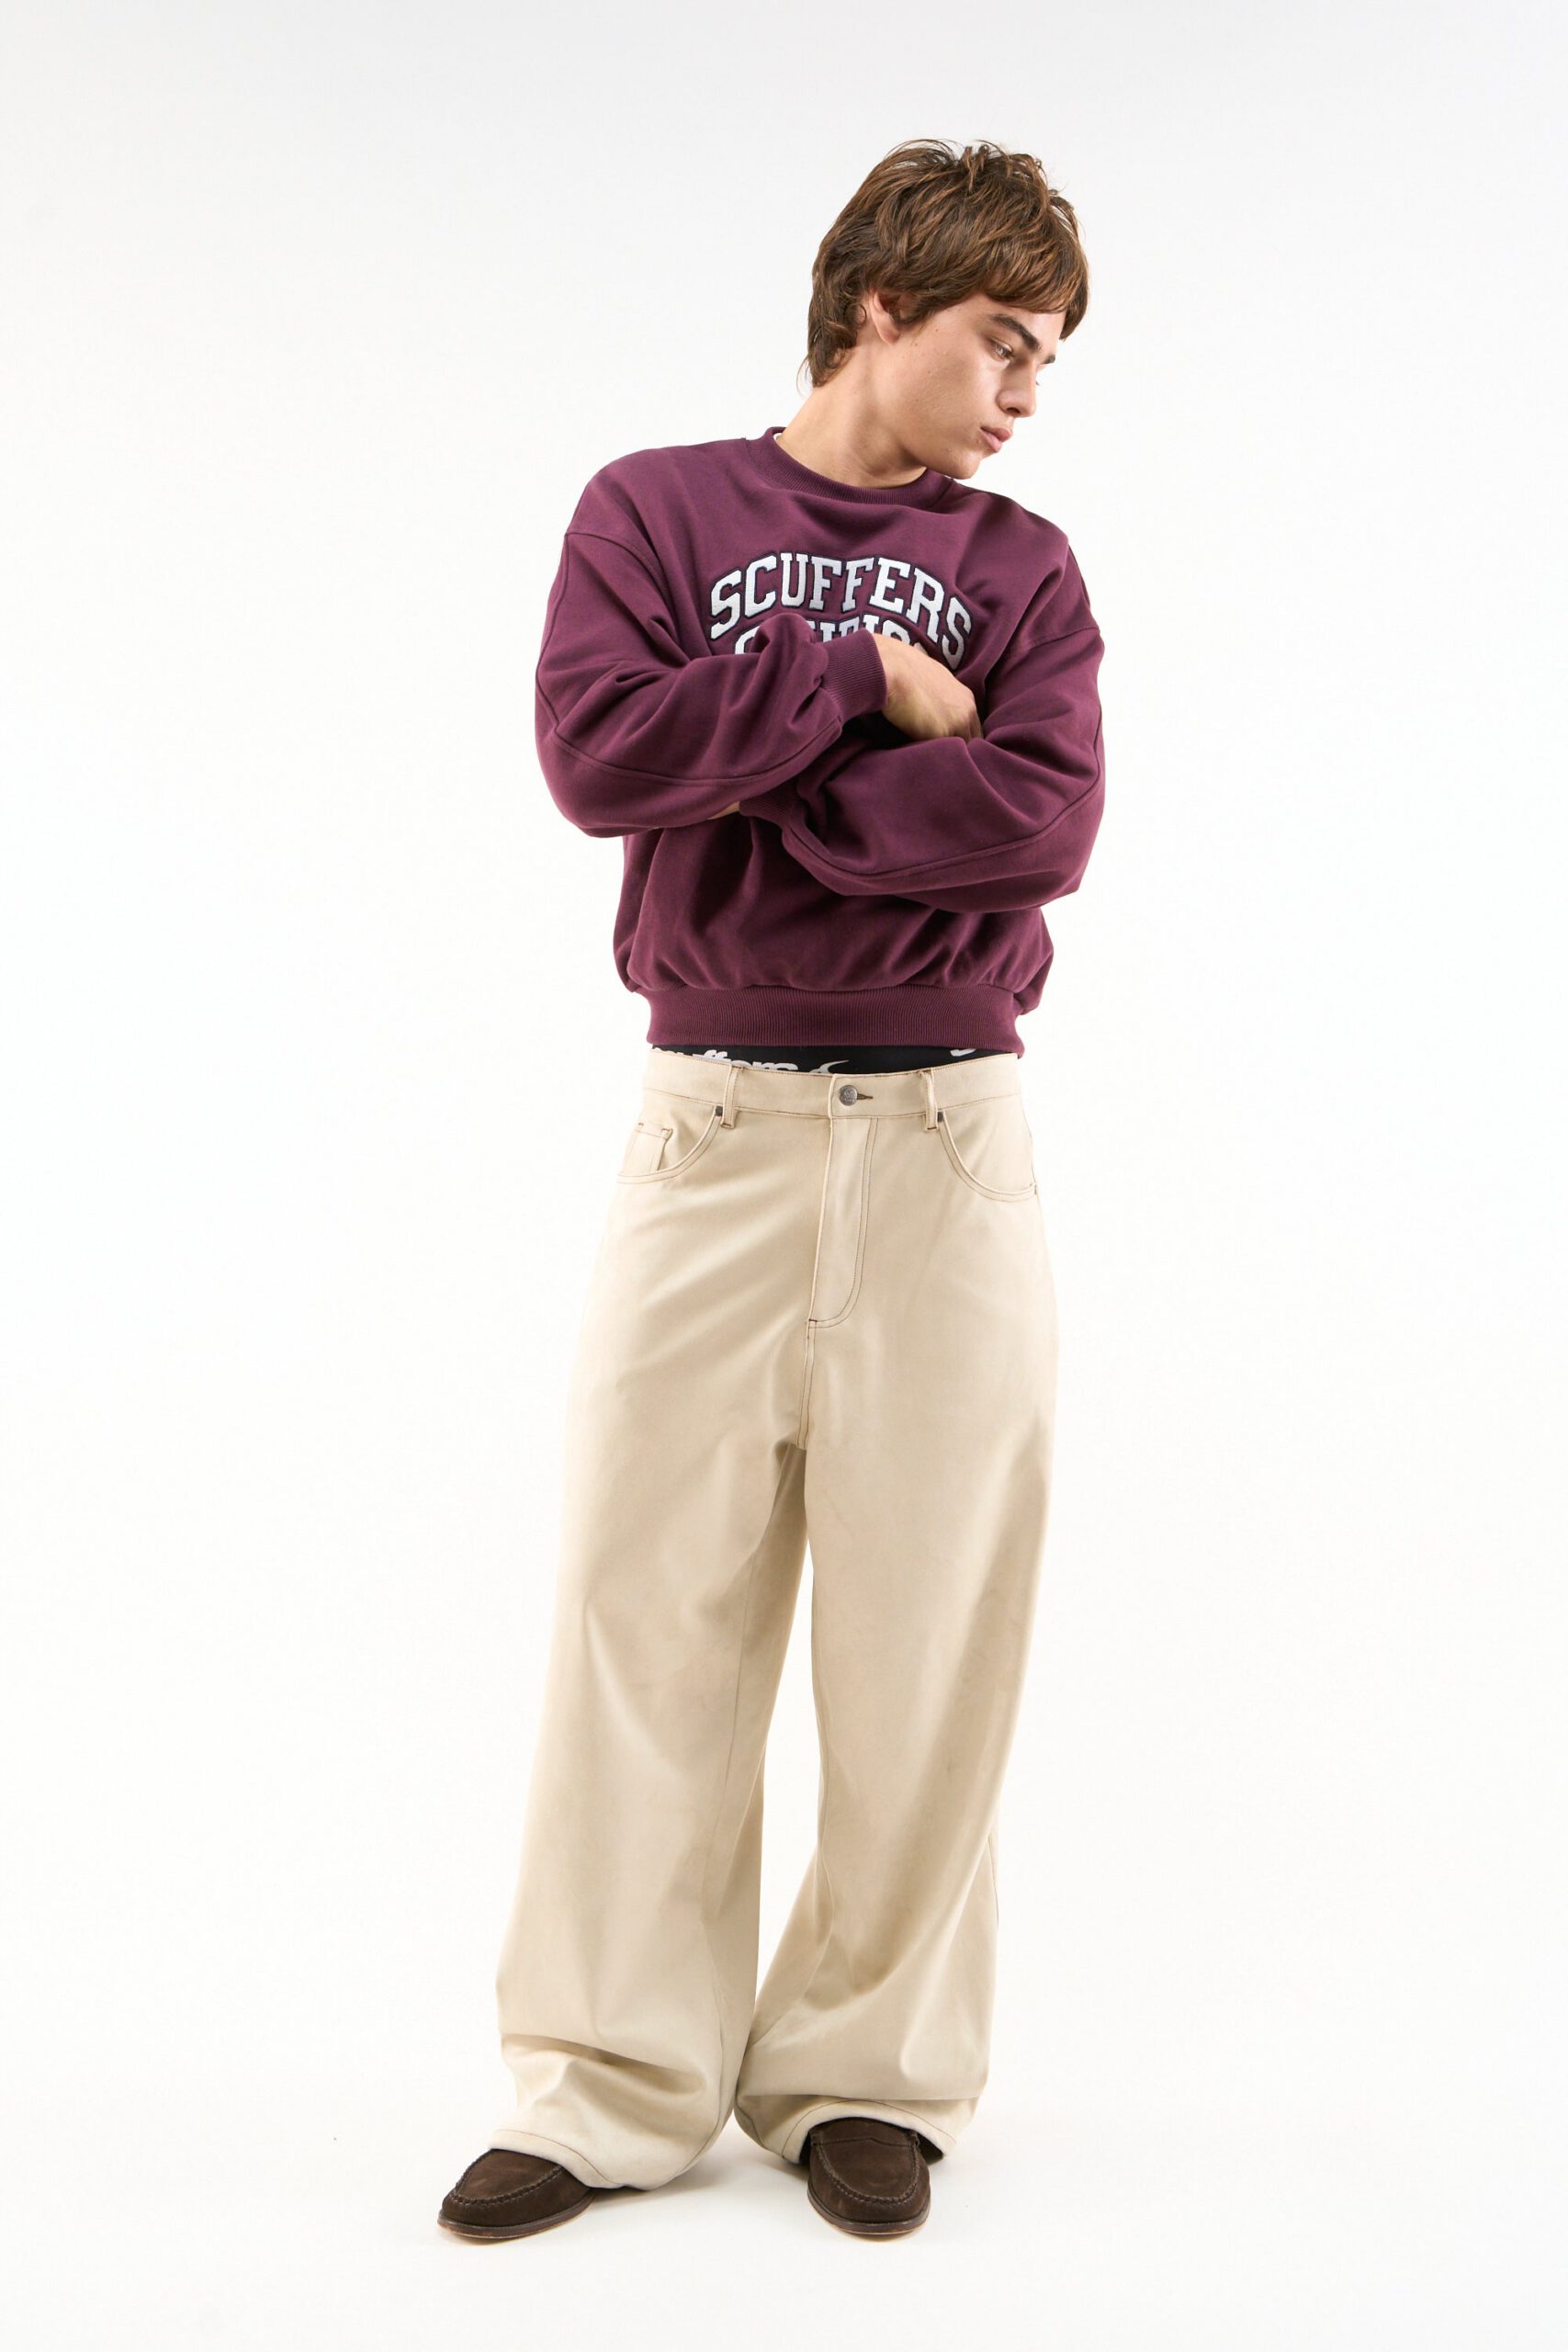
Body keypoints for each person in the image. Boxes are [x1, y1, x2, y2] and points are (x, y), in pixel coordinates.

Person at [439, 135, 1106, 2244]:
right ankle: (608, 2078)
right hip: (710, 1130)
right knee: (645, 1609)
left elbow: (1035, 824)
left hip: (945, 1146)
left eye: (1051, 353)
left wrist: (762, 794)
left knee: (928, 1630)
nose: (1026, 391)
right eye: (1002, 339)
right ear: (878, 306)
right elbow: (593, 759)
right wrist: (853, 687)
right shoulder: (655, 512)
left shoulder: (1022, 569)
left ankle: (864, 2072)